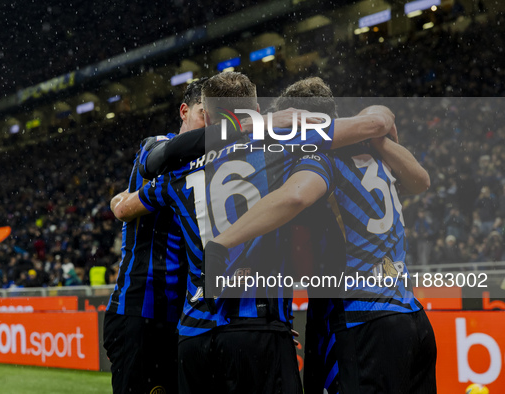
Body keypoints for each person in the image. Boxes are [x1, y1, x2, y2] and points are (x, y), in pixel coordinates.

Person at [111, 72, 398, 394]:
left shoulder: (179, 169)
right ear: (258, 108)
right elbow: (372, 126)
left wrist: (120, 199)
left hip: (194, 331)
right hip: (259, 327)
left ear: (207, 114)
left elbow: (124, 207)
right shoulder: (284, 145)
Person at [208, 77, 436, 393]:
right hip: (411, 317)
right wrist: (378, 134)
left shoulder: (319, 157)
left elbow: (295, 197)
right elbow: (422, 181)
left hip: (361, 322)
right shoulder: (373, 149)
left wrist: (223, 242)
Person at [103, 78, 206, 394]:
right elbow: (156, 160)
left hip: (184, 318)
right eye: (206, 115)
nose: (213, 126)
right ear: (184, 111)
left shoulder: (214, 168)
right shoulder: (156, 144)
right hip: (140, 312)